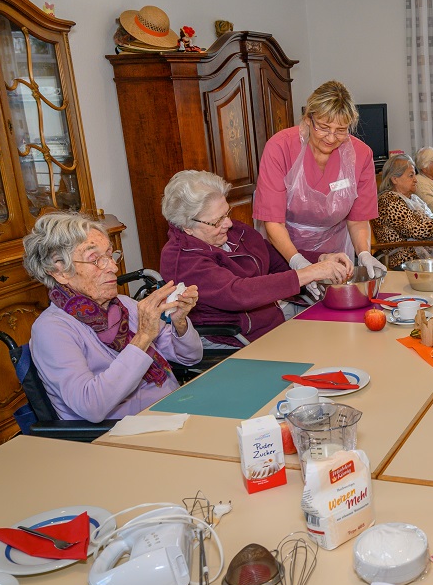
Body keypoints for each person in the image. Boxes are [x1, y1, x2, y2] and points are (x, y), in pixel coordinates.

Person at [23, 212, 203, 422]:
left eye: (110, 255)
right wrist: (143, 337)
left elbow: (190, 358)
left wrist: (179, 322)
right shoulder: (52, 330)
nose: (113, 267)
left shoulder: (123, 305)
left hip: (172, 408)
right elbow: (91, 406)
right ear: (60, 271)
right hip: (118, 434)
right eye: (96, 259)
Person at [160, 170, 349, 346]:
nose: (228, 223)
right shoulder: (181, 258)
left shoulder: (237, 232)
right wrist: (308, 273)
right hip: (234, 339)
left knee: (341, 332)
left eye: (227, 213)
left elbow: (273, 258)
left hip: (271, 322)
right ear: (187, 227)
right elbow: (238, 293)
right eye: (217, 220)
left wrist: (321, 259)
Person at [253, 80, 382, 279]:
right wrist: (298, 263)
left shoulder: (361, 155)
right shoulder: (280, 148)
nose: (331, 138)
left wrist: (364, 253)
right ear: (308, 119)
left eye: (341, 130)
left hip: (334, 252)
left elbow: (357, 220)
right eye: (323, 127)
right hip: (282, 249)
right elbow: (273, 222)